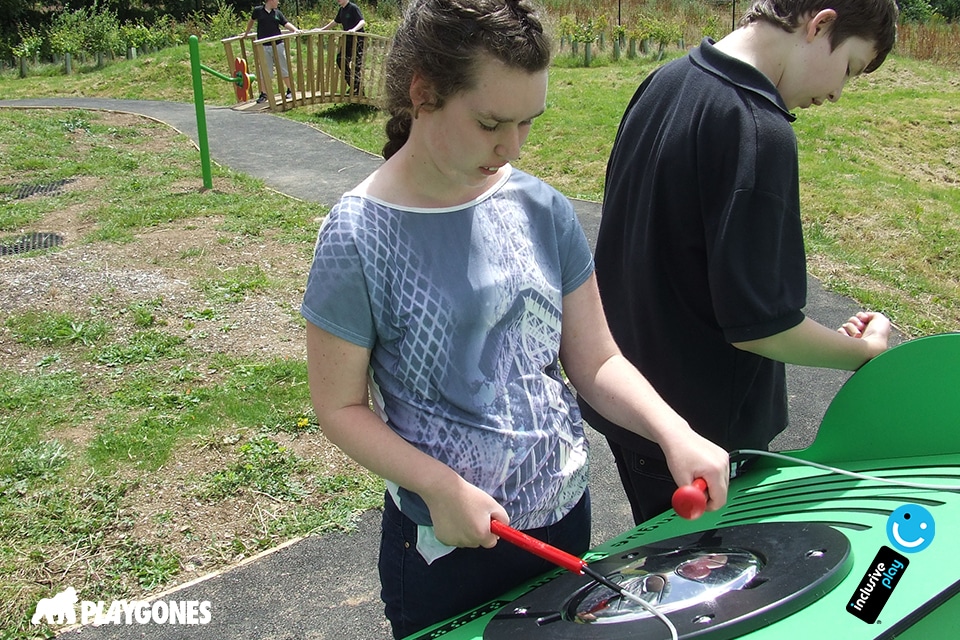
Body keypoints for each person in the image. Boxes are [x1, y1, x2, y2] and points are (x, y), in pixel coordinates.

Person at [301, 0, 729, 636]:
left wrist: (675, 432)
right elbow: (339, 407)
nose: (511, 146)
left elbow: (595, 358)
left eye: (528, 122)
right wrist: (438, 486)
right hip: (449, 540)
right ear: (423, 94)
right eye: (491, 122)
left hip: (562, 513)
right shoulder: (358, 235)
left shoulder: (541, 209)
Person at [578, 0, 898, 527]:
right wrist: (860, 352)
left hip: (634, 407)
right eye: (849, 69)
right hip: (703, 437)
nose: (839, 93)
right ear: (820, 24)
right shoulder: (758, 128)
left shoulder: (667, 81)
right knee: (714, 594)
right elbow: (763, 326)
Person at [244, 0, 299, 103]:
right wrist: (246, 33)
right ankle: (264, 94)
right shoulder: (258, 11)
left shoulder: (277, 13)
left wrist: (295, 30)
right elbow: (251, 21)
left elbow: (285, 23)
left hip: (278, 44)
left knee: (284, 67)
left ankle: (290, 90)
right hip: (264, 46)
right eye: (276, 0)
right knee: (265, 70)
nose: (278, 2)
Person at [320, 0, 366, 95]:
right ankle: (354, 85)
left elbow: (362, 21)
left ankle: (358, 89)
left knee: (357, 64)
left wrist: (354, 29)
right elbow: (335, 22)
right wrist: (322, 29)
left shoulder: (353, 7)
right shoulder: (341, 10)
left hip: (358, 39)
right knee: (340, 60)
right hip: (348, 39)